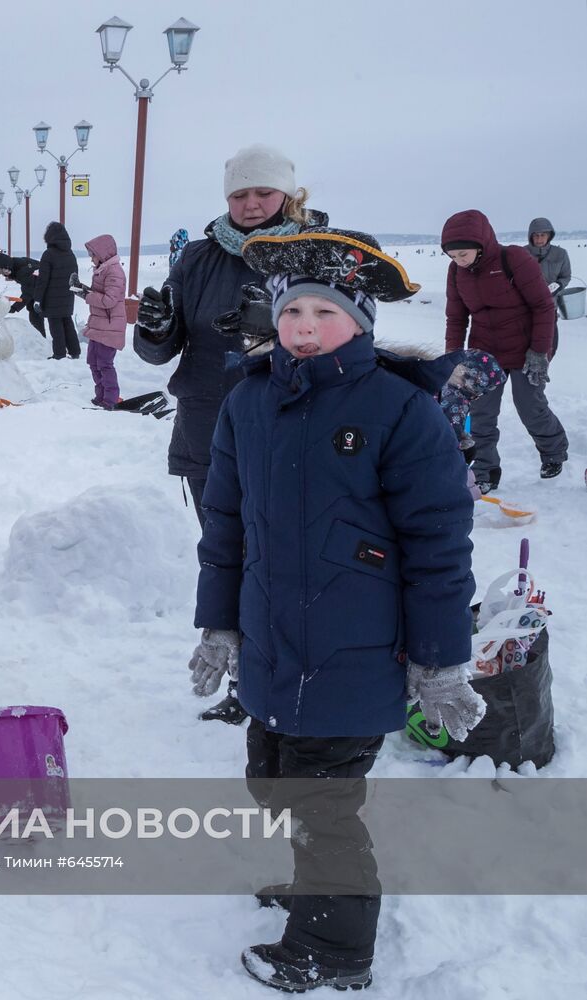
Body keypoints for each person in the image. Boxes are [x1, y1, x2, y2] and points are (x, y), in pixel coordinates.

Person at [191, 227, 479, 993]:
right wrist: (217, 623)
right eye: (291, 312)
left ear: (359, 320)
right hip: (271, 647)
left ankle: (335, 949)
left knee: (322, 806)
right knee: (272, 779)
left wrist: (439, 659)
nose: (305, 328)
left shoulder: (397, 409)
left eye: (324, 311)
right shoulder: (246, 402)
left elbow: (438, 546)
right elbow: (223, 526)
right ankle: (316, 885)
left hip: (357, 651)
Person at [133, 144, 325, 725]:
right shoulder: (197, 258)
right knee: (229, 557)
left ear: (288, 194)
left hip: (295, 433)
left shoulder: (319, 254)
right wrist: (155, 330)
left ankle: (296, 679)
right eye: (239, 194)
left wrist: (274, 340)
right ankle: (245, 683)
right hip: (209, 427)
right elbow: (161, 351)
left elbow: (349, 341)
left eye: (262, 192)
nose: (250, 203)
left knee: (290, 567)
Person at [443, 209, 566, 487]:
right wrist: (454, 357)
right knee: (481, 412)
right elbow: (456, 317)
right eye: (452, 256)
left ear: (480, 245)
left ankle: (553, 451)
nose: (458, 261)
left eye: (463, 254)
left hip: (528, 346)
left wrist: (539, 352)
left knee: (530, 405)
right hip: (485, 350)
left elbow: (544, 306)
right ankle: (485, 471)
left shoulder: (514, 258)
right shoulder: (456, 272)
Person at [70, 234, 125, 408]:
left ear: (103, 254)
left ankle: (111, 399)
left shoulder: (114, 271)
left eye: (93, 255)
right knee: (93, 362)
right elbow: (98, 295)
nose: (91, 259)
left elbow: (109, 300)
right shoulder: (103, 270)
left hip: (109, 327)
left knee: (104, 364)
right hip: (99, 325)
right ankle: (101, 395)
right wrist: (80, 288)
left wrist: (85, 294)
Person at [33, 221, 80, 360]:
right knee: (67, 322)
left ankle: (59, 354)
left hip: (52, 298)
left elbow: (43, 280)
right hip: (67, 296)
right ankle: (75, 351)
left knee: (55, 325)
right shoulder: (71, 254)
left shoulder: (48, 254)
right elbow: (75, 277)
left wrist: (37, 299)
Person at [526, 217, 572, 351]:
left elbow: (566, 276)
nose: (540, 239)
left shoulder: (560, 254)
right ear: (531, 236)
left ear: (549, 236)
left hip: (549, 308)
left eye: (543, 235)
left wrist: (557, 285)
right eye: (536, 235)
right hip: (526, 310)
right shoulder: (521, 254)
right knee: (525, 347)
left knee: (549, 347)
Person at [0, 251, 44, 338]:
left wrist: (13, 308)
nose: (2, 274)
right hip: (39, 290)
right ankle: (40, 340)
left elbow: (28, 292)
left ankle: (47, 343)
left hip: (52, 289)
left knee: (54, 319)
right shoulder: (15, 265)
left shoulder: (22, 270)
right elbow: (31, 288)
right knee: (33, 311)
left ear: (5, 265)